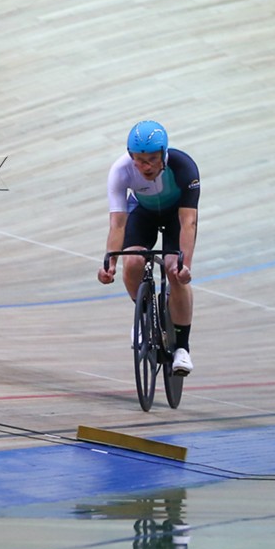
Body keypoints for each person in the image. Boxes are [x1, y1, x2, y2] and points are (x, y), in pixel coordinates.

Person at [98, 120, 199, 375]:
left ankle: (182, 348)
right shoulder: (120, 171)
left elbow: (188, 222)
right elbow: (118, 224)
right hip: (143, 213)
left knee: (173, 270)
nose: (145, 167)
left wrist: (185, 265)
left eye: (152, 159)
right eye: (139, 160)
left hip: (175, 215)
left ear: (164, 154)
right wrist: (109, 262)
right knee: (131, 261)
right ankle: (144, 318)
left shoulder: (184, 167)